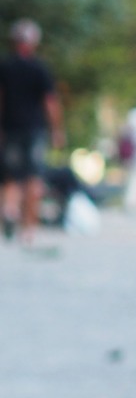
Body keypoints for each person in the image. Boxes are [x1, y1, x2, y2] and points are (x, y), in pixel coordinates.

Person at [0, 19, 61, 246]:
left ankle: (9, 210)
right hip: (34, 130)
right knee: (33, 179)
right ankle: (28, 229)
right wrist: (56, 130)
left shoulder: (5, 67)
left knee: (11, 177)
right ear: (33, 42)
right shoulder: (40, 68)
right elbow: (50, 102)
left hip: (10, 128)